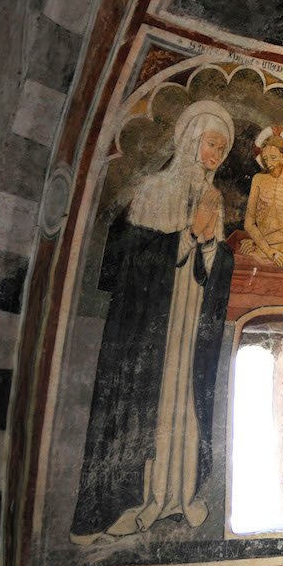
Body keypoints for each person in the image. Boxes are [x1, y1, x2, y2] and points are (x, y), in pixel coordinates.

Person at [71, 100, 235, 542]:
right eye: (210, 143)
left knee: (184, 398)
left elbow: (215, 268)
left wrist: (207, 245)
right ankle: (133, 501)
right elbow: (124, 265)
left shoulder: (212, 199)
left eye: (222, 147)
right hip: (148, 329)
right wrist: (185, 237)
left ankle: (178, 494)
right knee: (146, 403)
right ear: (189, 140)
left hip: (189, 319)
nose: (216, 153)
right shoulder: (153, 191)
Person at [237, 125, 283, 267]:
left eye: (273, 157)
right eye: (266, 159)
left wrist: (257, 243)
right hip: (256, 252)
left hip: (281, 254)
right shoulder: (258, 179)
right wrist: (268, 251)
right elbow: (249, 223)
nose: (269, 163)